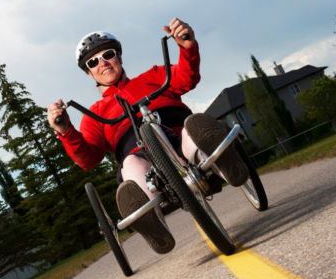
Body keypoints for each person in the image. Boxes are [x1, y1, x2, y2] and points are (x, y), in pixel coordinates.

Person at [47, 18, 248, 255]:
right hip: (143, 161)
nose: (103, 63)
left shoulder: (152, 76)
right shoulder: (94, 115)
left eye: (108, 55)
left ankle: (225, 163)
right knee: (130, 164)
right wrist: (65, 131)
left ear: (119, 57)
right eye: (93, 62)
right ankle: (153, 222)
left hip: (179, 136)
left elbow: (187, 78)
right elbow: (88, 159)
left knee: (190, 129)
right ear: (89, 73)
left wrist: (187, 46)